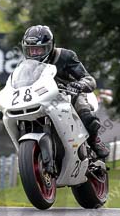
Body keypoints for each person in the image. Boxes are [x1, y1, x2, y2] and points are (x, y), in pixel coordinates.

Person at [21, 24, 110, 159]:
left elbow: (89, 79)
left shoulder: (66, 56)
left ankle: (94, 141)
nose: (35, 53)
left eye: (39, 50)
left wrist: (79, 85)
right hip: (43, 98)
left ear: (50, 46)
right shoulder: (25, 66)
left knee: (85, 114)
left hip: (69, 94)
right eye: (31, 50)